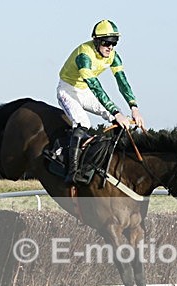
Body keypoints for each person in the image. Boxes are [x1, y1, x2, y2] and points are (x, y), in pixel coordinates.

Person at [57, 19, 145, 183]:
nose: (110, 47)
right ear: (96, 41)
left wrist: (134, 107)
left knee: (119, 120)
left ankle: (111, 165)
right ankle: (72, 172)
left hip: (84, 91)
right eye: (106, 43)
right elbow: (96, 86)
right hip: (68, 90)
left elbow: (122, 81)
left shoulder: (113, 56)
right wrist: (116, 112)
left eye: (114, 43)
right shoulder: (84, 55)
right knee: (84, 123)